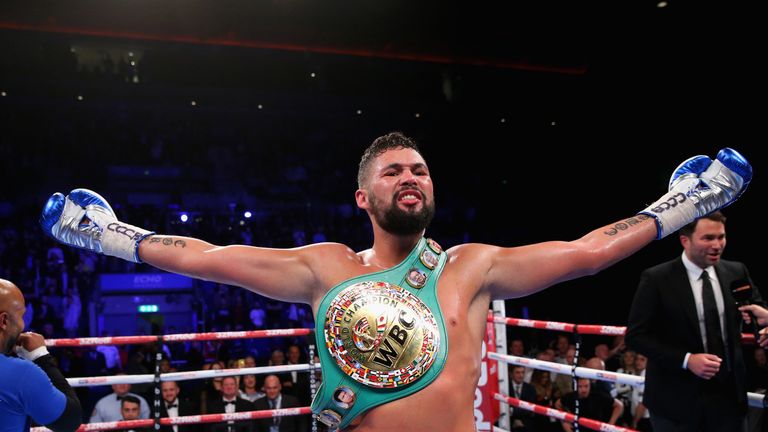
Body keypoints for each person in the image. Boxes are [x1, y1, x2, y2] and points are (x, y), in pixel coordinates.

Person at [40, 132, 752, 431]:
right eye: (393, 172)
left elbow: (588, 252)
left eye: (419, 170)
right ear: (363, 198)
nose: (410, 178)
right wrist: (106, 234)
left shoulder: (473, 267)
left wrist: (682, 206)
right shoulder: (325, 267)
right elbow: (202, 255)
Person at [626, 211, 762, 431]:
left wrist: (763, 326)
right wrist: (687, 359)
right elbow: (636, 336)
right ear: (684, 241)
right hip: (675, 400)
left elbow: (757, 309)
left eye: (721, 237)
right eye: (708, 238)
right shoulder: (657, 279)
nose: (717, 245)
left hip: (728, 399)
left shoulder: (736, 272)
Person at [0, 278, 83, 432]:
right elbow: (70, 420)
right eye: (21, 316)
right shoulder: (21, 373)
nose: (23, 325)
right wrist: (41, 357)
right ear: (4, 320)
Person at [555, 378, 623, 431]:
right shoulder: (571, 396)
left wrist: (609, 426)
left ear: (590, 385)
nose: (584, 390)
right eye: (580, 387)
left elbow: (619, 405)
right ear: (575, 387)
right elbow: (557, 404)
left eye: (586, 386)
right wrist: (564, 421)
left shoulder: (598, 395)